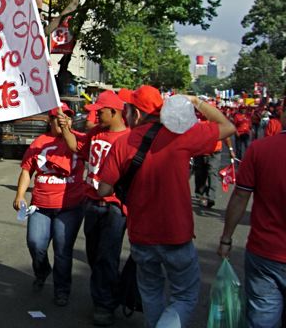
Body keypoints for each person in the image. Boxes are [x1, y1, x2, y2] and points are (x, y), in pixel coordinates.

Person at [96, 86, 235, 327]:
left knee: (151, 293)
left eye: (128, 109)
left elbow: (104, 190)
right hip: (176, 235)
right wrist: (196, 102)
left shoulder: (122, 143)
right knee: (185, 295)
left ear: (137, 114)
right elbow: (228, 126)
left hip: (141, 237)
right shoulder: (181, 135)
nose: (126, 114)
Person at [61, 90, 130, 326]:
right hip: (90, 203)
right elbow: (76, 147)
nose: (97, 114)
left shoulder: (130, 139)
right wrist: (64, 127)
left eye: (101, 110)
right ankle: (108, 291)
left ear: (115, 112)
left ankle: (105, 304)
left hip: (114, 208)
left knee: (107, 257)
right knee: (94, 255)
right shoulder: (96, 133)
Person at [218, 97, 286, 327]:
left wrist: (226, 239)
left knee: (262, 318)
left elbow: (240, 197)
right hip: (267, 255)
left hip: (266, 254)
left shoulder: (260, 150)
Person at [13, 102, 86, 308]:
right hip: (41, 206)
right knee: (36, 243)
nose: (64, 120)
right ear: (50, 121)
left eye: (68, 117)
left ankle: (62, 290)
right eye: (59, 117)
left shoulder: (79, 140)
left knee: (63, 250)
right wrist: (19, 195)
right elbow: (27, 170)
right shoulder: (39, 143)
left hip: (70, 207)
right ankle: (42, 270)